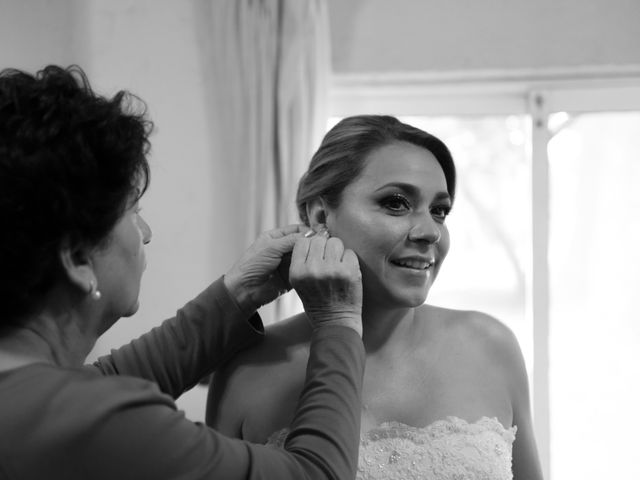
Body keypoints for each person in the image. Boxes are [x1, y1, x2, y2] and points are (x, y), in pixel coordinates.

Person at [0, 65, 366, 480]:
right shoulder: (93, 423)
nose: (146, 233)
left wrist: (238, 293)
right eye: (132, 212)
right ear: (78, 259)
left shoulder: (32, 393)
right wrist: (338, 322)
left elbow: (99, 381)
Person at [207, 115, 544, 480]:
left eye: (439, 211)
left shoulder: (491, 348)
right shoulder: (247, 371)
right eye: (396, 203)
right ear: (321, 216)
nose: (430, 231)